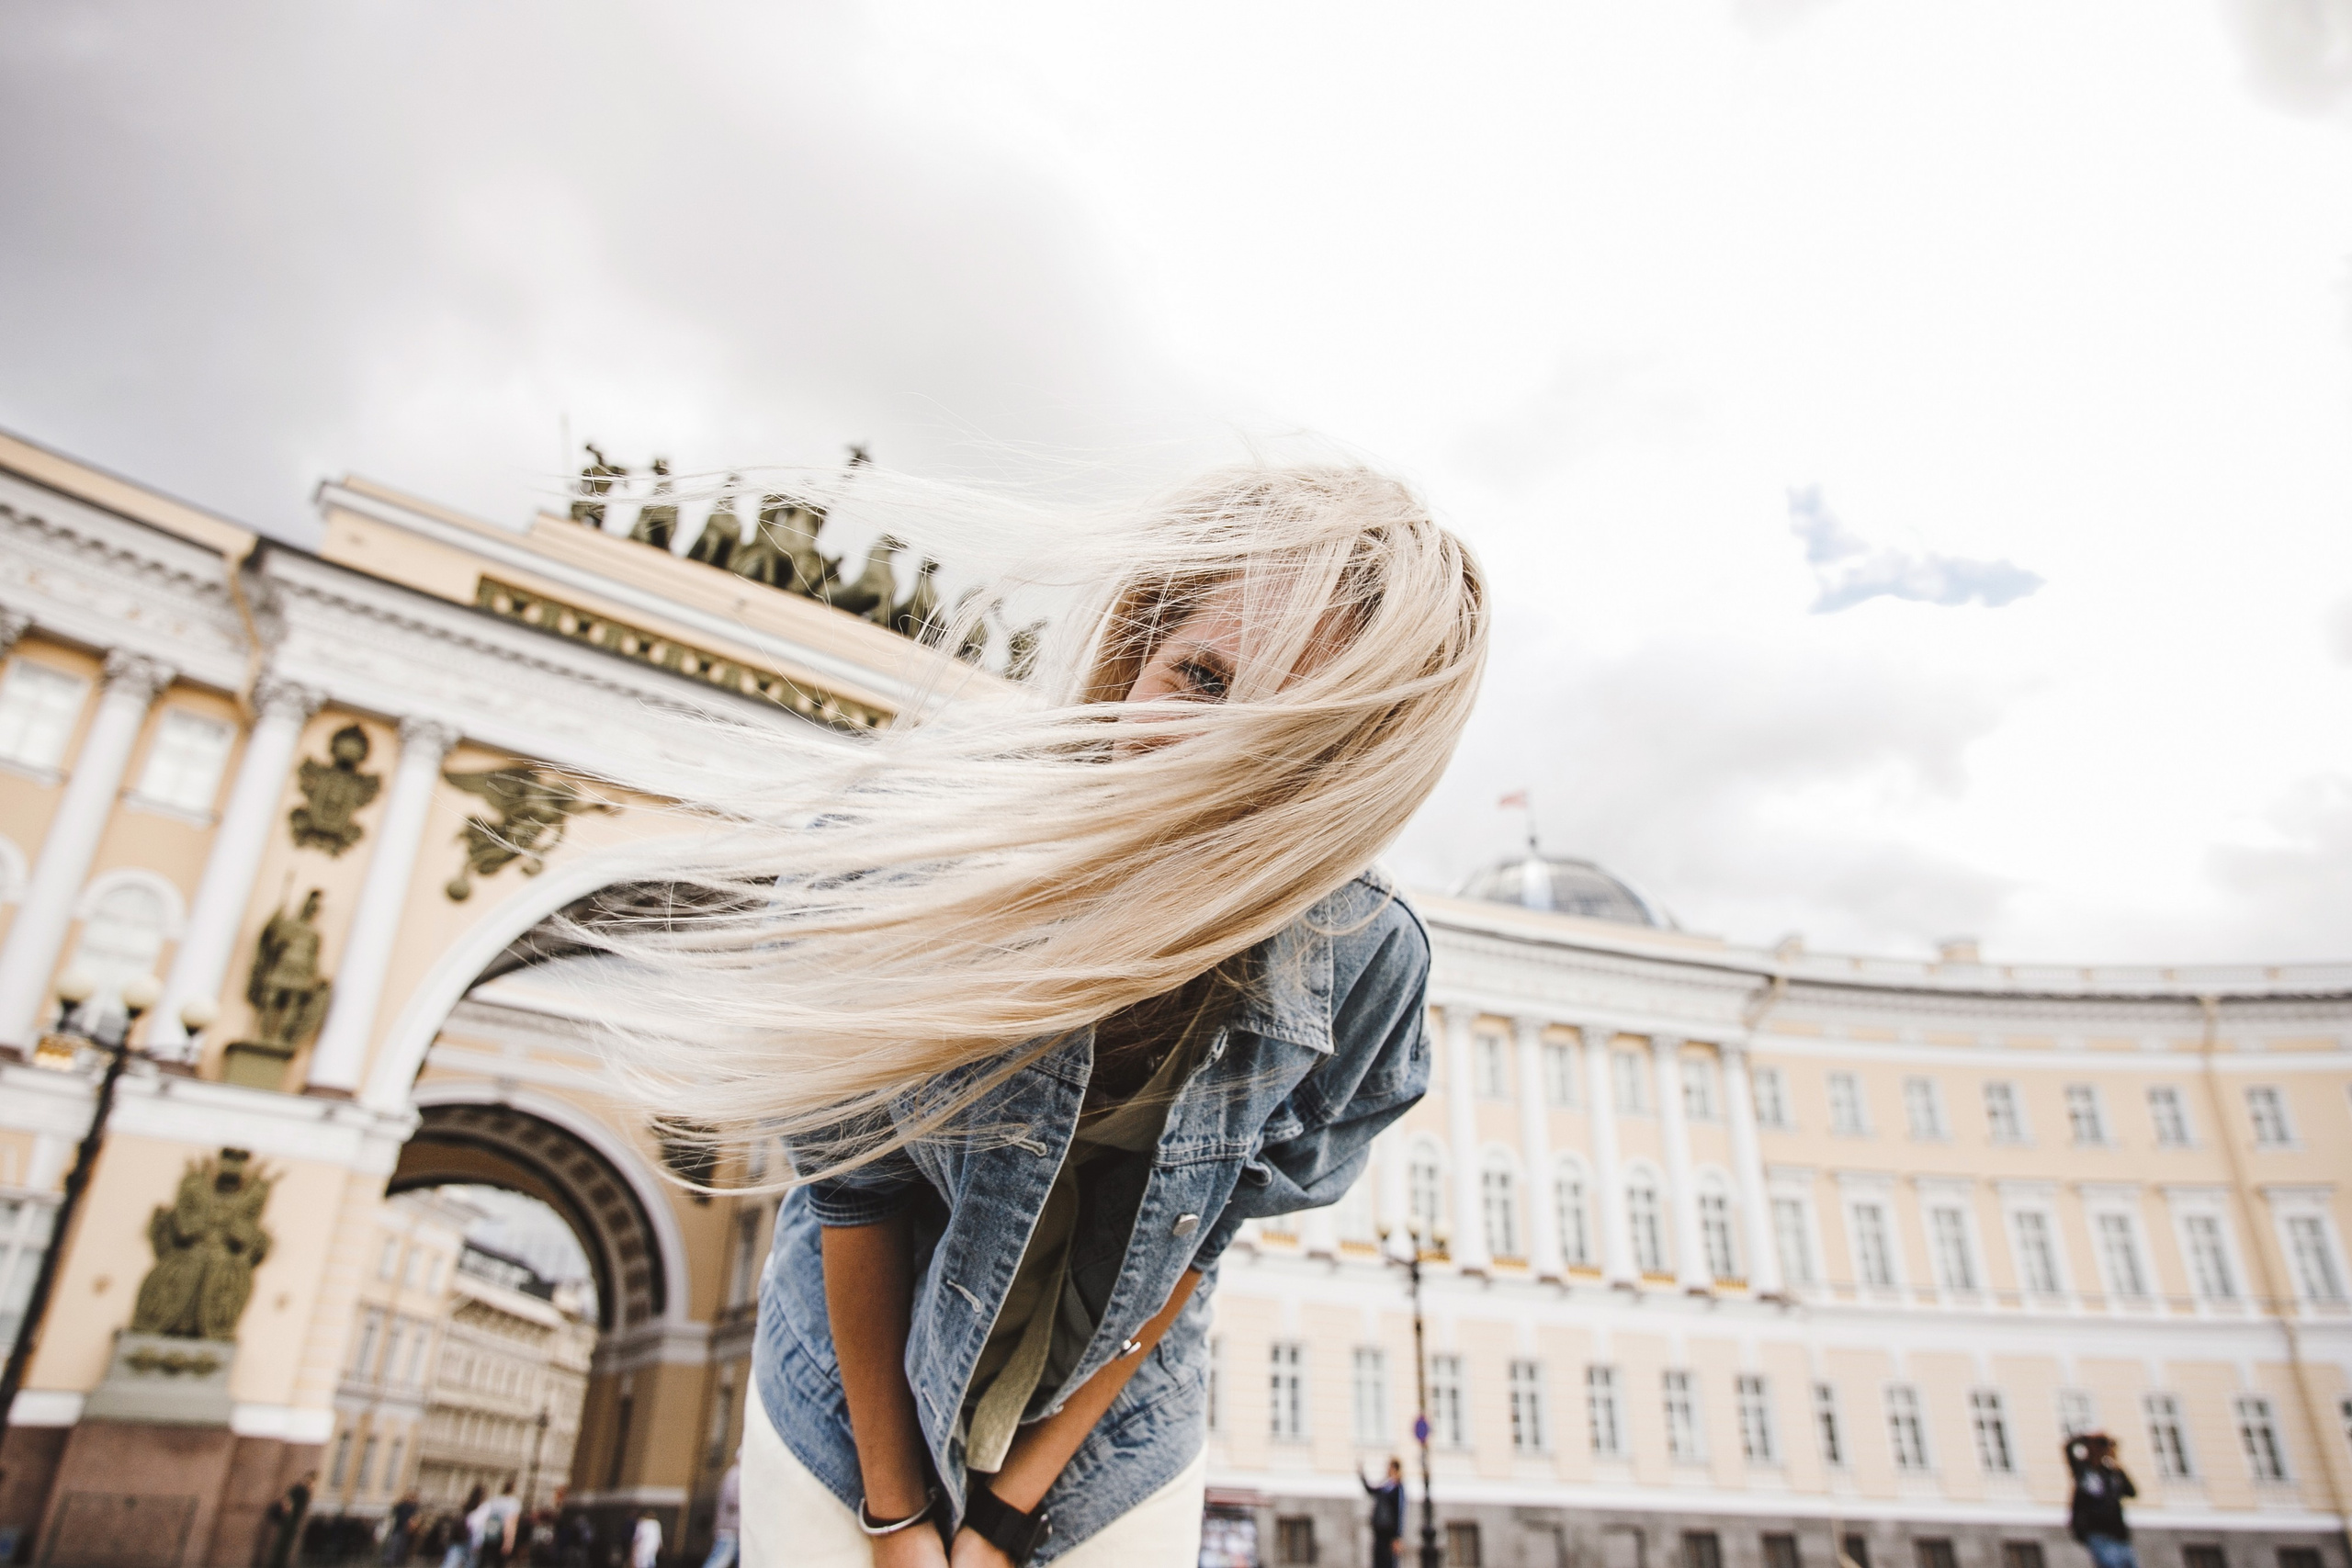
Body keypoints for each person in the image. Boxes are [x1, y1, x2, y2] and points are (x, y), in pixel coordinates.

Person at [592, 466, 1487, 1567]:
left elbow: (1188, 1253)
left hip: (1111, 1441)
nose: (1213, 755)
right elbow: (854, 1187)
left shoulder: (1365, 961)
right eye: (1198, 678)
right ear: (1132, 655)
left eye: (1284, 732)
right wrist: (896, 1513)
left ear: (1349, 770)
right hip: (844, 1395)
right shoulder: (917, 843)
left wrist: (1008, 1521)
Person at [2065, 1432, 2139, 1568]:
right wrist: (2086, 1438)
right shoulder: (2082, 1470)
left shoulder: (2111, 1473)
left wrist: (2117, 1464)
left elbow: (2132, 1492)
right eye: (2099, 1446)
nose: (2100, 1450)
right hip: (2096, 1531)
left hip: (2118, 1533)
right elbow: (2068, 1448)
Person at [1360, 1458, 1406, 1568]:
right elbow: (1371, 1490)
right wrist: (1362, 1475)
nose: (1387, 1469)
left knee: (1388, 1561)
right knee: (1378, 1560)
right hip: (1379, 1530)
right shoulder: (1386, 1486)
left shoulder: (1398, 1488)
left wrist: (1397, 1536)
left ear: (1395, 1468)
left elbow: (1399, 1512)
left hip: (1390, 1533)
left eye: (1389, 1467)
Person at [263, 1472, 314, 1568]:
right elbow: (288, 1503)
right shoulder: (299, 1490)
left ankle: (278, 1564)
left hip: (292, 1521)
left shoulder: (304, 1491)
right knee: (282, 1545)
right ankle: (276, 1564)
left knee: (284, 1545)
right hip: (289, 1521)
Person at [702, 1453, 741, 1568]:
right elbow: (732, 1499)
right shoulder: (736, 1474)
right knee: (719, 1560)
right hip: (730, 1528)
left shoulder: (734, 1473)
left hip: (733, 1528)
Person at [445, 1486, 486, 1568]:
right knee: (470, 1564)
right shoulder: (483, 1508)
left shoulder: (467, 1505)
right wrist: (478, 1542)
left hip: (460, 1537)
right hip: (472, 1538)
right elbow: (477, 1527)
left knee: (450, 1563)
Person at [384, 1490, 422, 1563]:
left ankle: (396, 1560)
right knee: (395, 1545)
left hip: (406, 1531)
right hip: (400, 1529)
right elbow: (397, 1513)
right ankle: (391, 1560)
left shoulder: (413, 1508)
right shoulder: (404, 1506)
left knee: (401, 1546)